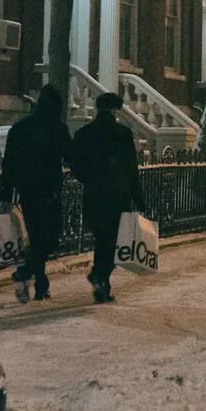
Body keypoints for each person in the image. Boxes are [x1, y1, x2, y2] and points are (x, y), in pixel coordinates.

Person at [0, 85, 74, 302]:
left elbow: (9, 163)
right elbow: (70, 155)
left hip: (27, 192)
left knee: (38, 237)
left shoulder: (20, 128)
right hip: (49, 191)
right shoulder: (57, 128)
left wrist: (5, 193)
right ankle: (24, 273)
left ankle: (41, 285)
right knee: (49, 240)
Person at [71, 92, 145, 303]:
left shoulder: (84, 133)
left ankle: (100, 279)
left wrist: (89, 179)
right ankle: (100, 277)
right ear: (114, 110)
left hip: (94, 194)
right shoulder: (122, 133)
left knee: (101, 237)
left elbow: (76, 166)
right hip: (117, 195)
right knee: (112, 241)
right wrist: (138, 199)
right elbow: (132, 169)